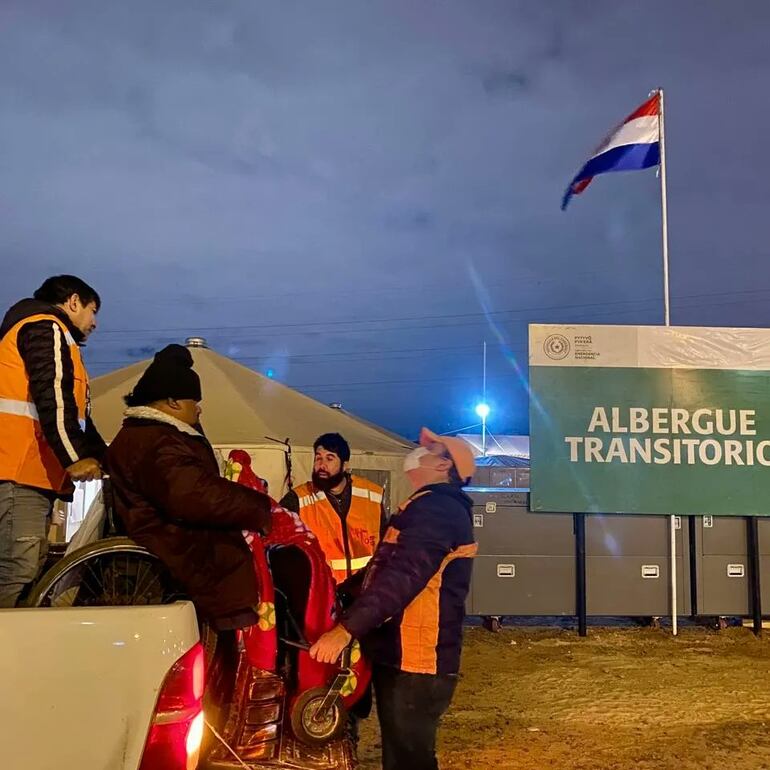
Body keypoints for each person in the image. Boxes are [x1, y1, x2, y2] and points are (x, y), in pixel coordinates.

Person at [309, 428, 477, 770]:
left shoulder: (438, 510)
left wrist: (346, 630)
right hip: (402, 654)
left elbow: (403, 579)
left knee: (409, 758)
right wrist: (338, 594)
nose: (419, 451)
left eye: (430, 448)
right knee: (400, 754)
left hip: (418, 660)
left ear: (445, 465)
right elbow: (381, 570)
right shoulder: (425, 505)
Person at [106, 344, 272, 630]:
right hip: (174, 546)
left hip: (162, 535)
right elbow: (194, 494)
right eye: (193, 400)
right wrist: (259, 508)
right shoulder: (159, 441)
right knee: (255, 562)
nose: (198, 407)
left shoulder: (145, 434)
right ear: (171, 402)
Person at [0, 275, 106, 607]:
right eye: (92, 311)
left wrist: (107, 458)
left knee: (25, 569)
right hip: (19, 471)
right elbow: (54, 399)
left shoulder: (41, 331)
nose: (94, 323)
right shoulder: (46, 328)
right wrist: (75, 456)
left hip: (29, 472)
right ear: (73, 301)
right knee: (18, 571)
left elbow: (77, 419)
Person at [280, 433, 386, 584]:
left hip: (365, 592)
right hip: (322, 593)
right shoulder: (297, 499)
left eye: (330, 458)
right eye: (318, 458)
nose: (322, 465)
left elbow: (387, 547)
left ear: (345, 465)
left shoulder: (372, 496)